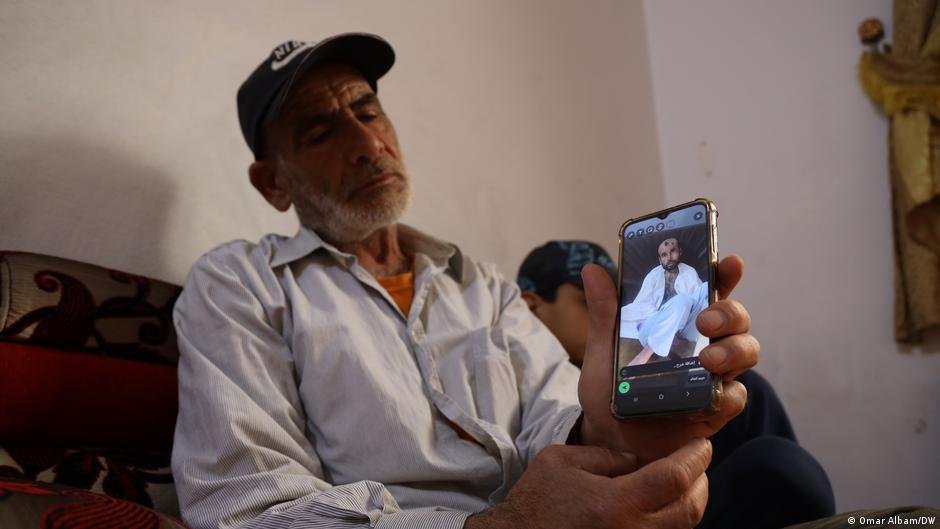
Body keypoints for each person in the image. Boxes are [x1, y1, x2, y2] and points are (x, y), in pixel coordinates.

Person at [171, 33, 905, 529]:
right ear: (273, 184)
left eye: (368, 109)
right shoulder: (240, 286)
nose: (367, 143)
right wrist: (498, 525)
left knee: (773, 455)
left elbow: (558, 430)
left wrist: (609, 424)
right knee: (783, 478)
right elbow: (242, 505)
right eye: (321, 130)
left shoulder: (479, 284)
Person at [518, 240, 835, 529]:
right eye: (589, 302)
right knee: (783, 470)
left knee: (742, 387)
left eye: (616, 300)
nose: (608, 316)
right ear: (531, 307)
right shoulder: (516, 370)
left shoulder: (676, 281)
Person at [619, 237, 709, 366]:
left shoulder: (689, 272)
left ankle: (672, 343)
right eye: (664, 255)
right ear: (660, 259)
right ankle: (651, 351)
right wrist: (662, 312)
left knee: (705, 288)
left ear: (680, 252)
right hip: (654, 324)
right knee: (622, 316)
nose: (669, 257)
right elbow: (641, 304)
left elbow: (696, 304)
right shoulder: (653, 275)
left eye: (673, 251)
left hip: (682, 325)